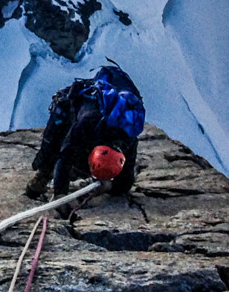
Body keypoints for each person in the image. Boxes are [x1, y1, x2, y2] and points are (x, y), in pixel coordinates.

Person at [26, 64, 145, 200]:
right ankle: (43, 174)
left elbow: (126, 181)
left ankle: (59, 175)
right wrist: (60, 194)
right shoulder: (87, 123)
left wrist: (108, 186)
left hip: (99, 126)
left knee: (73, 159)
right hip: (74, 110)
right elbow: (65, 155)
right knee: (53, 144)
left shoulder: (128, 138)